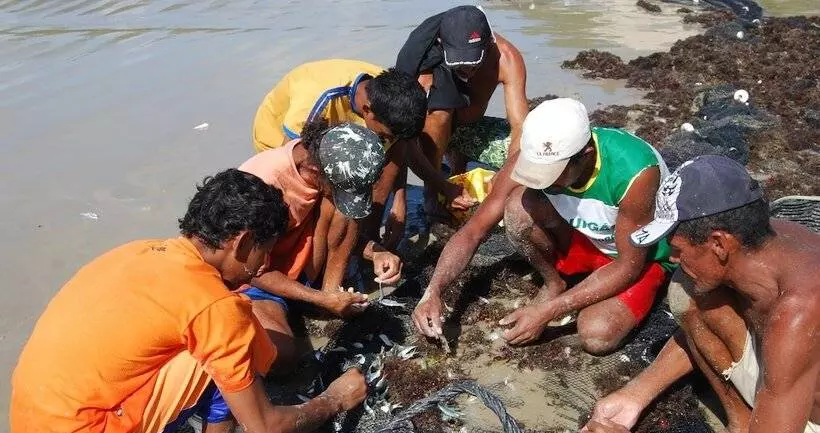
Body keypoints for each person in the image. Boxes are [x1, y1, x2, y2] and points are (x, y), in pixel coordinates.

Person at [9, 170, 367, 433]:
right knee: (221, 361)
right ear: (243, 243)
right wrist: (335, 399)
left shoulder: (141, 250)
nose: (264, 266)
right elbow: (265, 431)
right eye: (265, 253)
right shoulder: (215, 308)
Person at [578, 155, 820, 433]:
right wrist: (636, 394)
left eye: (676, 247)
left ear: (720, 243)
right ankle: (744, 432)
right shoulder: (766, 238)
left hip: (812, 430)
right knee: (686, 288)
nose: (671, 256)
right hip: (787, 375)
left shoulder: (798, 312)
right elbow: (699, 304)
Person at [413, 98, 672, 354]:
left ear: (585, 156)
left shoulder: (634, 172)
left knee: (597, 335)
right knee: (517, 206)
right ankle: (554, 283)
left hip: (636, 257)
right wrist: (434, 291)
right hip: (585, 237)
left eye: (554, 174)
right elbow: (473, 231)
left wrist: (549, 311)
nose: (544, 181)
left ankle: (561, 295)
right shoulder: (534, 153)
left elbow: (629, 266)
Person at [239, 120, 399, 367]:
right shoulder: (263, 185)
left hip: (301, 265)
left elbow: (341, 226)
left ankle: (330, 291)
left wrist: (376, 252)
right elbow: (249, 271)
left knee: (341, 206)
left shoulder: (332, 167)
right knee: (279, 357)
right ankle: (322, 299)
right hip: (258, 281)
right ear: (314, 169)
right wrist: (316, 298)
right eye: (340, 188)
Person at [252, 60, 451, 250]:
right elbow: (292, 166)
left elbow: (402, 150)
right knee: (320, 208)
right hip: (282, 140)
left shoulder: (388, 96)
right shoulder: (317, 101)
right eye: (383, 135)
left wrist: (400, 202)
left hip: (340, 136)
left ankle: (368, 238)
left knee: (372, 168)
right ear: (367, 111)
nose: (386, 140)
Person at [396, 4, 528, 211]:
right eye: (461, 65)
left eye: (475, 63)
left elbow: (520, 126)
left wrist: (504, 181)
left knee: (534, 150)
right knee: (438, 113)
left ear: (489, 43)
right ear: (442, 44)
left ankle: (460, 167)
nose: (468, 70)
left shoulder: (507, 59)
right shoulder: (426, 60)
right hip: (430, 138)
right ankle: (431, 192)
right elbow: (400, 129)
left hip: (471, 130)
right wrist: (402, 197)